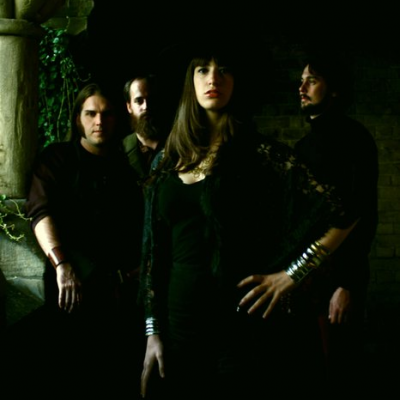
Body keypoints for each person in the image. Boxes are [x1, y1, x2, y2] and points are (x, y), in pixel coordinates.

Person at [138, 41, 359, 400]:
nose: (214, 79)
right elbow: (153, 252)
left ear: (236, 81)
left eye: (224, 70)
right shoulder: (167, 158)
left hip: (238, 325)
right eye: (203, 70)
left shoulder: (260, 154)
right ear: (190, 80)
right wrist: (153, 332)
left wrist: (292, 274)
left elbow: (343, 211)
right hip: (179, 325)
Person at [22, 83, 145, 398]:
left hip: (118, 296)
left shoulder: (124, 168)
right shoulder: (57, 159)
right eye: (91, 113)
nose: (99, 121)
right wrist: (62, 264)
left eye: (106, 114)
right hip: (72, 290)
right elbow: (40, 212)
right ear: (78, 118)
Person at [295, 51, 379, 393]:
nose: (301, 88)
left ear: (334, 89)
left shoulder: (355, 139)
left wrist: (348, 285)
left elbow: (363, 214)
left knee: (341, 372)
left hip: (340, 279)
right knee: (312, 371)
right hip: (307, 280)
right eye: (301, 81)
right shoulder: (303, 147)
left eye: (312, 80)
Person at [122, 74, 165, 182]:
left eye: (151, 99)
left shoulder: (178, 143)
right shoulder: (120, 150)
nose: (146, 106)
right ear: (129, 107)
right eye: (138, 101)